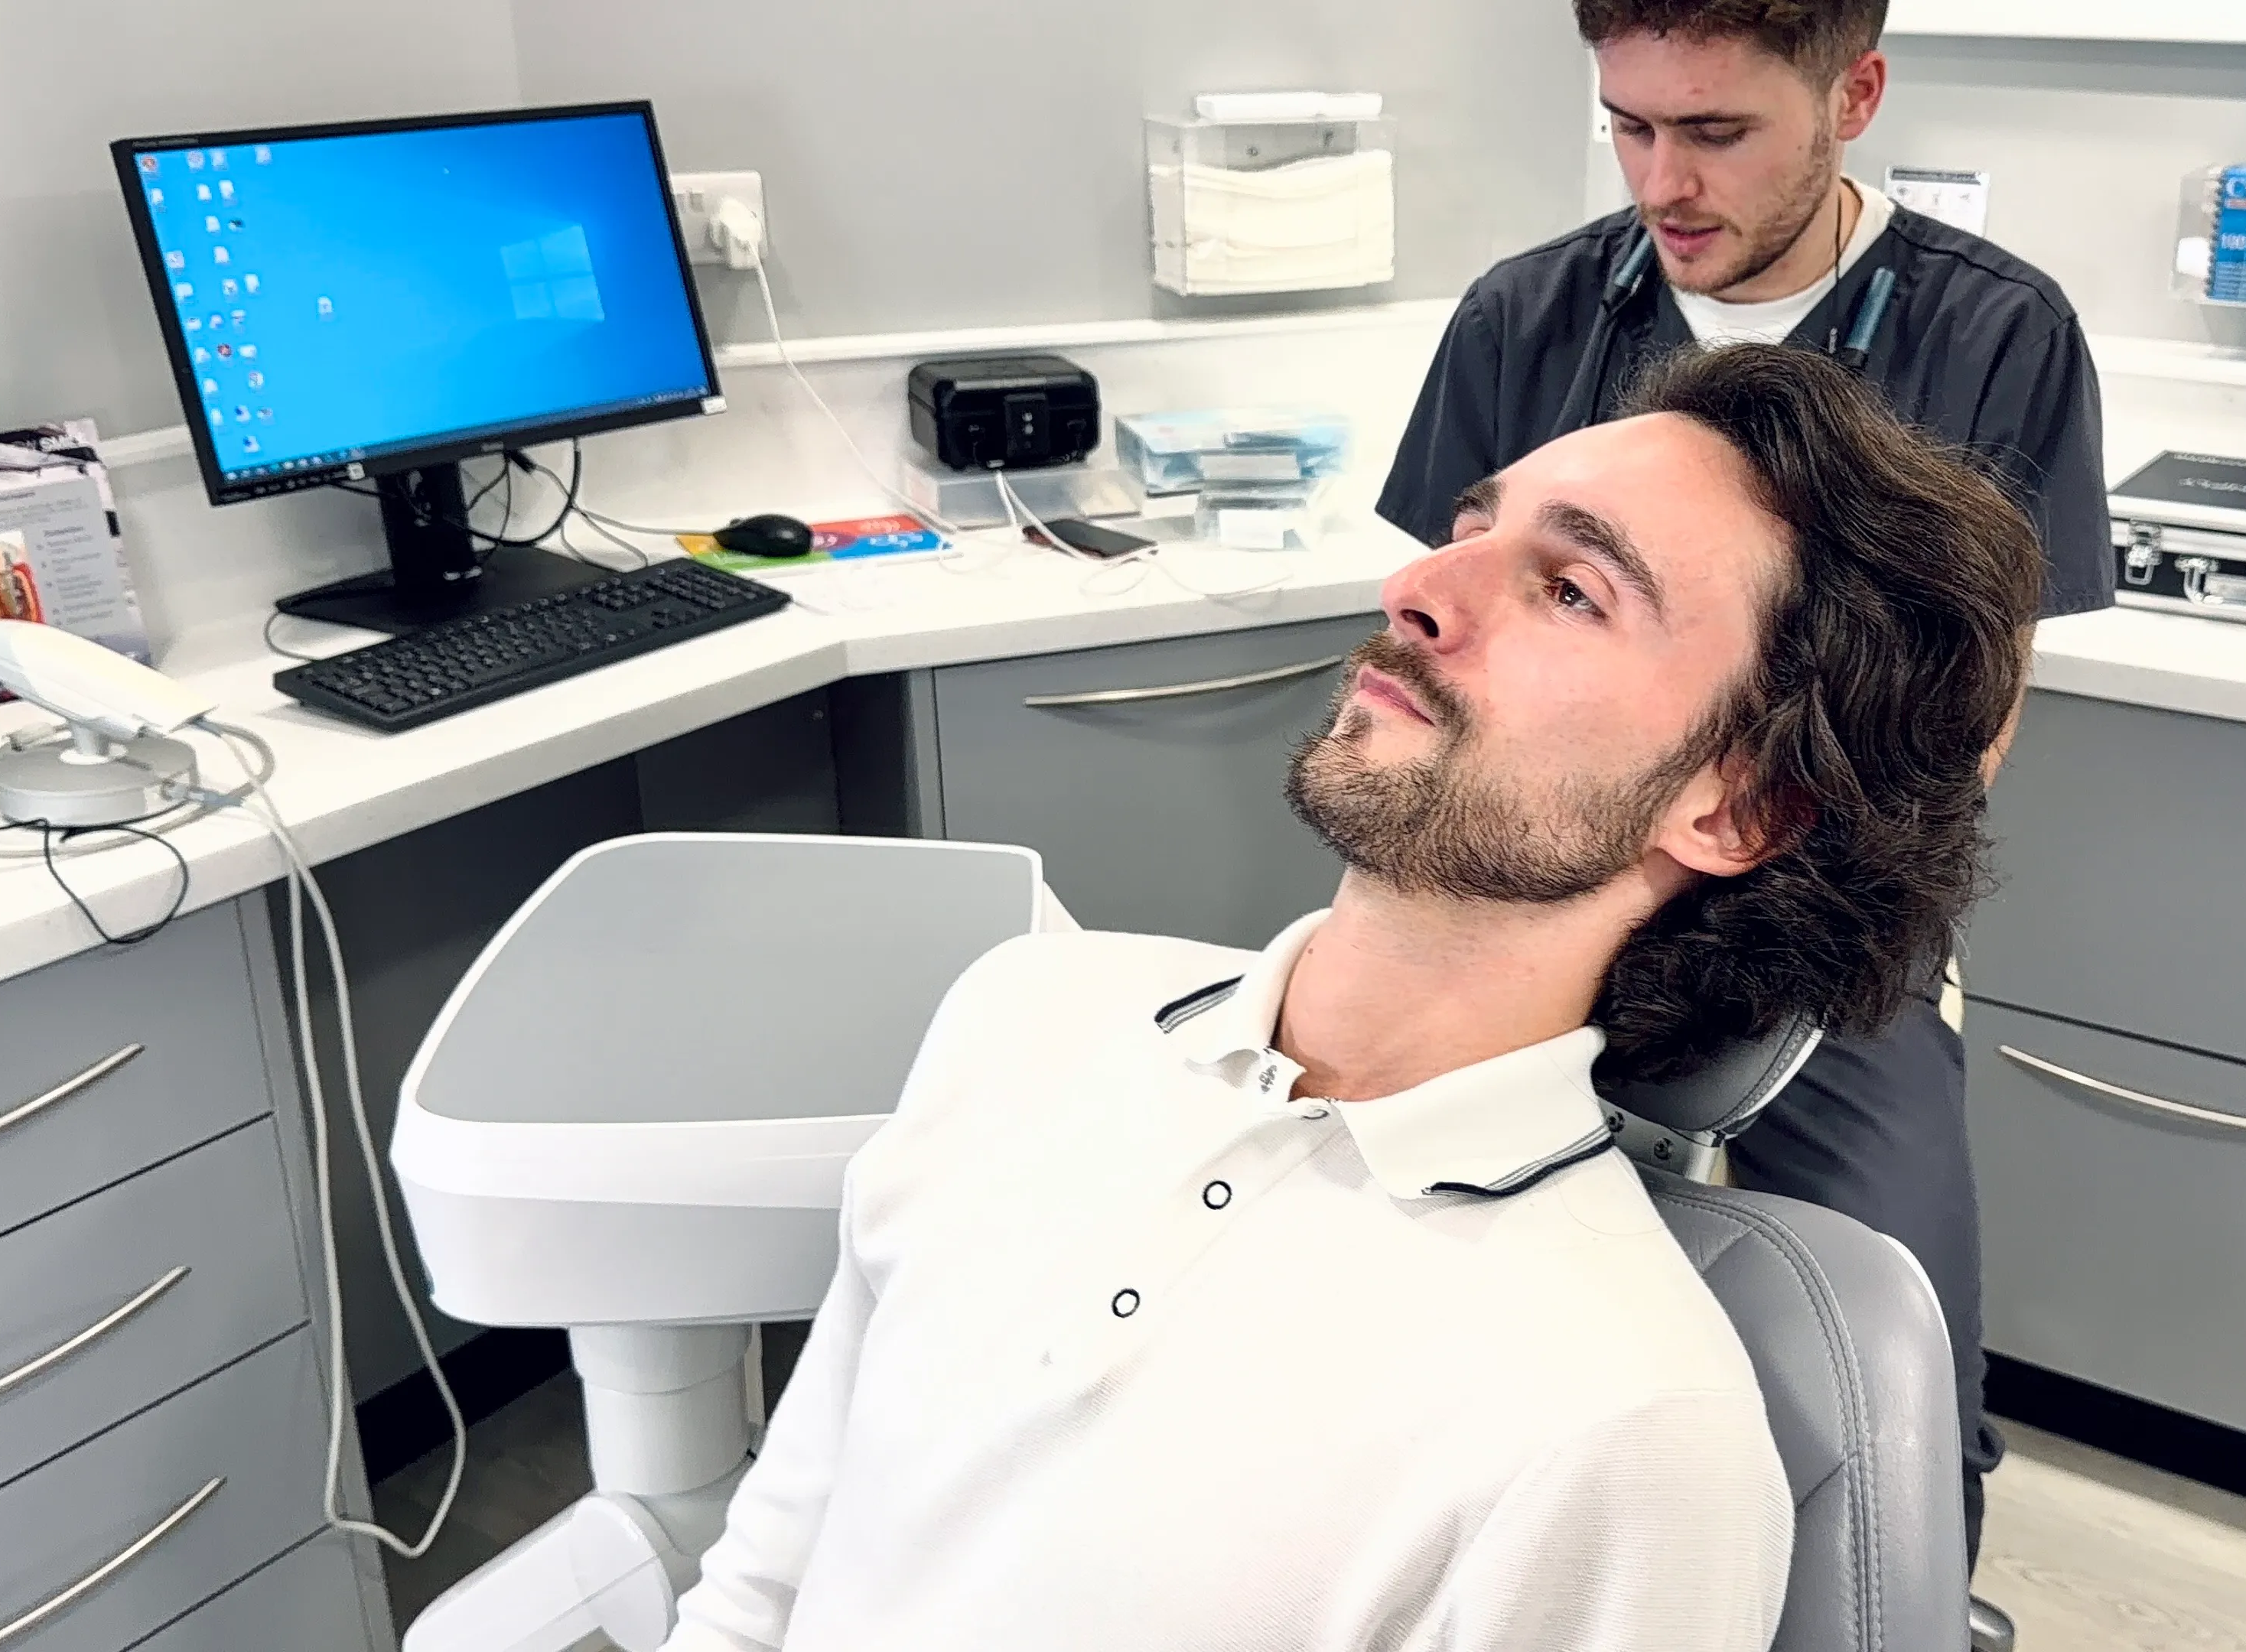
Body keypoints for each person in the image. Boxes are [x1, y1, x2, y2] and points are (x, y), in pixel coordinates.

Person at [661, 343, 2043, 1651]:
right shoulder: (1022, 1013)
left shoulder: (1627, 1421)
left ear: (1737, 808)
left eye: (1573, 588)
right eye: (1475, 522)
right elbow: (772, 1571)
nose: (1423, 588)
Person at [1377, 0, 2117, 1553]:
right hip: (1530, 895)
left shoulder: (1991, 336)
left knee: (1893, 1383)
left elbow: (1966, 723)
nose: (1664, 183)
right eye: (1630, 127)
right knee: (1413, 1332)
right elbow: (1446, 660)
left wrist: (1741, 871)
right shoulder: (1532, 319)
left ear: (1855, 94)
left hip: (1820, 918)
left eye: (1716, 134)